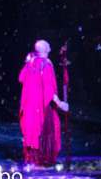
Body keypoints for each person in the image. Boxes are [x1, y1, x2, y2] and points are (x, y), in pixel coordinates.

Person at [19, 40, 69, 168]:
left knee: (33, 129)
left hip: (31, 105)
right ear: (45, 49)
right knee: (44, 130)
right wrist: (60, 103)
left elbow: (21, 78)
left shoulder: (30, 62)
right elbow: (49, 88)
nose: (50, 46)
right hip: (42, 105)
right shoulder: (46, 64)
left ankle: (33, 160)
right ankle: (43, 160)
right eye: (48, 44)